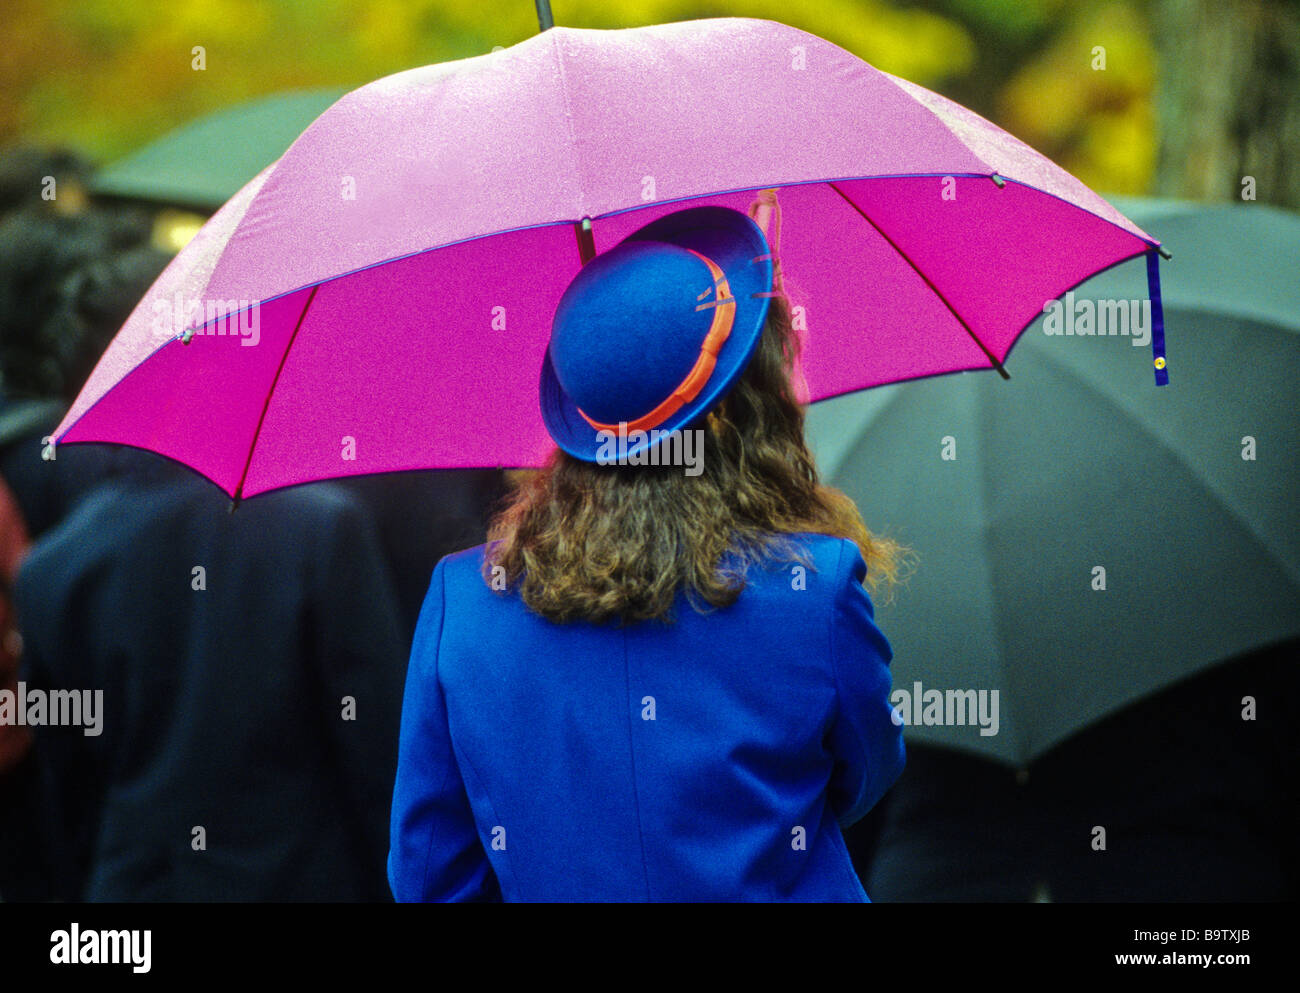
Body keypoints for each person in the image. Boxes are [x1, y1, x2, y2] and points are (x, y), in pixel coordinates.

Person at [388, 203, 908, 902]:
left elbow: (429, 872)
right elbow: (862, 774)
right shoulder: (816, 589)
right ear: (745, 411)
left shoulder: (465, 601)